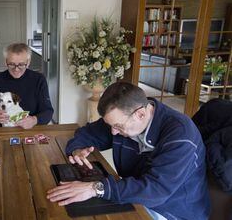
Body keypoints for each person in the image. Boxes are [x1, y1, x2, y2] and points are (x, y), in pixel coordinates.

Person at [46, 82, 210, 220]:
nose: (113, 132)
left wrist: (94, 188)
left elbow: (155, 191)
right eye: (111, 126)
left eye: (117, 126)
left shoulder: (181, 135)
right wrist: (77, 149)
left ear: (140, 114)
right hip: (137, 197)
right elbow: (86, 134)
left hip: (172, 212)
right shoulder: (122, 116)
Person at [0, 43, 54, 129]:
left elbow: (48, 112)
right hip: (2, 133)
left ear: (28, 62)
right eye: (12, 64)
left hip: (31, 132)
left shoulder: (39, 80)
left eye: (21, 64)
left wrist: (34, 120)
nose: (16, 69)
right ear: (6, 61)